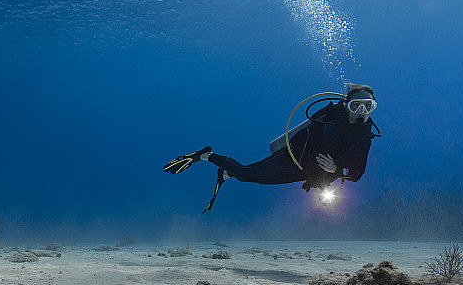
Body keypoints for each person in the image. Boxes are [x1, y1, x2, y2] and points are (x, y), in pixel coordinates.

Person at [163, 83, 381, 212]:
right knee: (248, 173)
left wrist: (336, 168)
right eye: (356, 105)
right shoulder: (327, 118)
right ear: (346, 105)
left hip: (306, 173)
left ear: (373, 108)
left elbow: (357, 173)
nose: (361, 110)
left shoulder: (364, 136)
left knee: (258, 179)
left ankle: (227, 173)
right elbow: (307, 142)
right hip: (293, 158)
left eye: (367, 106)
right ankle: (204, 155)